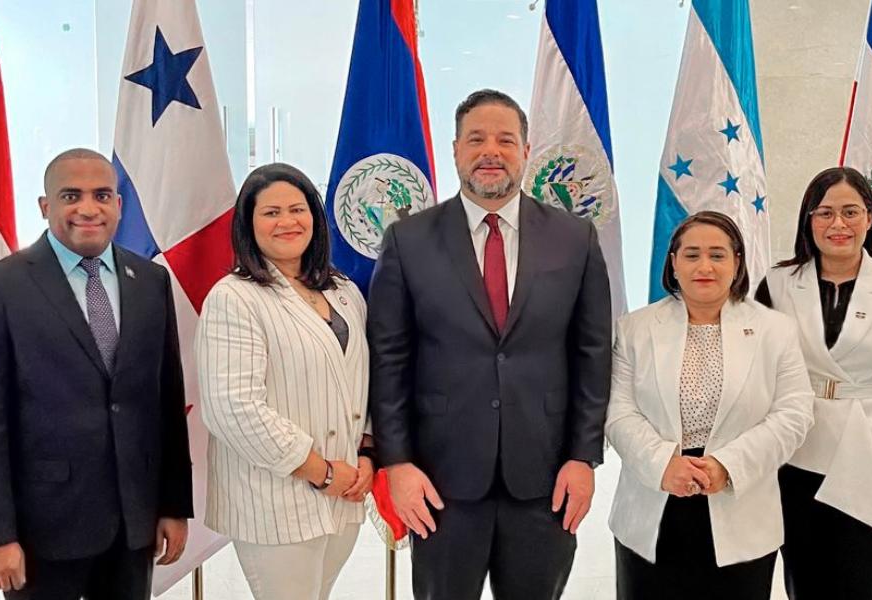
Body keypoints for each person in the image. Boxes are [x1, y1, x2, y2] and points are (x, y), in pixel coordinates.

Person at [368, 88, 612, 599]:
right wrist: (397, 463)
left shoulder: (575, 239)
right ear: (456, 149)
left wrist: (583, 456)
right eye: (476, 139)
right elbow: (388, 361)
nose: (491, 151)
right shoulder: (408, 240)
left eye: (505, 139)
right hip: (439, 481)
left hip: (546, 478)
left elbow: (592, 356)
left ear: (526, 150)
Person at [0, 148, 192, 599]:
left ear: (119, 205)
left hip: (133, 525)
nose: (88, 208)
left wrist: (173, 505)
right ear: (45, 206)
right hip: (40, 531)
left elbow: (166, 401)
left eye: (102, 195)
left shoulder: (150, 281)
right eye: (71, 196)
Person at [755, 166, 872, 600]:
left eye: (850, 212)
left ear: (870, 218)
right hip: (794, 459)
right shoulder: (778, 285)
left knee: (866, 584)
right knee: (804, 584)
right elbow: (755, 374)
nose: (837, 224)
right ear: (808, 220)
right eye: (824, 213)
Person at [606, 211, 814, 600]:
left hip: (740, 506)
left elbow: (794, 413)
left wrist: (727, 465)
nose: (704, 266)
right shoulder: (634, 329)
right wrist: (663, 463)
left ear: (737, 262)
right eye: (692, 255)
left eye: (717, 255)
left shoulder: (775, 330)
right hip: (654, 503)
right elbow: (619, 412)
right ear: (673, 262)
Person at [196, 163, 373, 600]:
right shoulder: (233, 297)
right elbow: (233, 408)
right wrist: (322, 472)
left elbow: (364, 381)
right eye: (271, 212)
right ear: (248, 224)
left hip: (344, 494)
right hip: (275, 501)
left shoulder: (343, 291)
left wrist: (368, 453)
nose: (287, 222)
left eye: (297, 209)